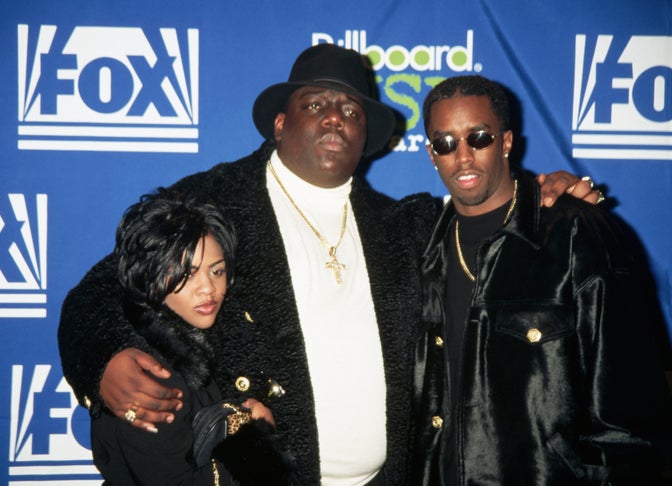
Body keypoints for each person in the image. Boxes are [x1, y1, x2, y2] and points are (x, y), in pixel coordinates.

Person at [59, 44, 597, 485]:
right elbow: (102, 289)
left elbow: (485, 216)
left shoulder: (405, 225)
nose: (337, 117)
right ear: (278, 123)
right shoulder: (212, 201)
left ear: (367, 139)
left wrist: (541, 193)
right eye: (316, 104)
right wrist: (103, 359)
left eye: (353, 111)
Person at [411, 74, 672, 485]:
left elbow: (631, 418)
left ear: (506, 141)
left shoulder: (578, 235)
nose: (462, 156)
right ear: (431, 154)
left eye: (478, 137)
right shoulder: (427, 246)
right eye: (446, 142)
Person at [90, 189, 295, 485]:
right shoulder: (152, 375)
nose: (208, 289)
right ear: (149, 276)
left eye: (217, 271)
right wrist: (259, 439)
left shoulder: (196, 342)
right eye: (187, 274)